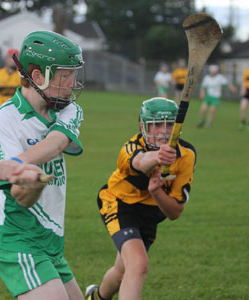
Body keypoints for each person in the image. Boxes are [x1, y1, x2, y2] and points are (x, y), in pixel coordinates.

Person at [0, 30, 85, 300]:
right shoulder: (4, 119)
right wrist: (29, 181)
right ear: (38, 76)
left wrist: (18, 163)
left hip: (50, 241)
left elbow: (57, 142)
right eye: (65, 74)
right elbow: (20, 197)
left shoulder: (68, 109)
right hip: (16, 237)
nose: (72, 82)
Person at [85, 97, 196, 300]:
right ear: (142, 127)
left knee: (121, 273)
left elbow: (174, 212)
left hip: (150, 214)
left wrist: (157, 192)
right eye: (156, 125)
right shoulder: (130, 148)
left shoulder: (186, 155)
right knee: (138, 264)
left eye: (170, 124)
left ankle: (95, 297)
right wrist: (157, 158)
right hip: (119, 204)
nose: (163, 131)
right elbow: (140, 161)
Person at [0, 48, 21, 114]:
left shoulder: (22, 75)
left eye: (15, 57)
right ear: (6, 59)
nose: (13, 60)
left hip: (15, 107)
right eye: (10, 57)